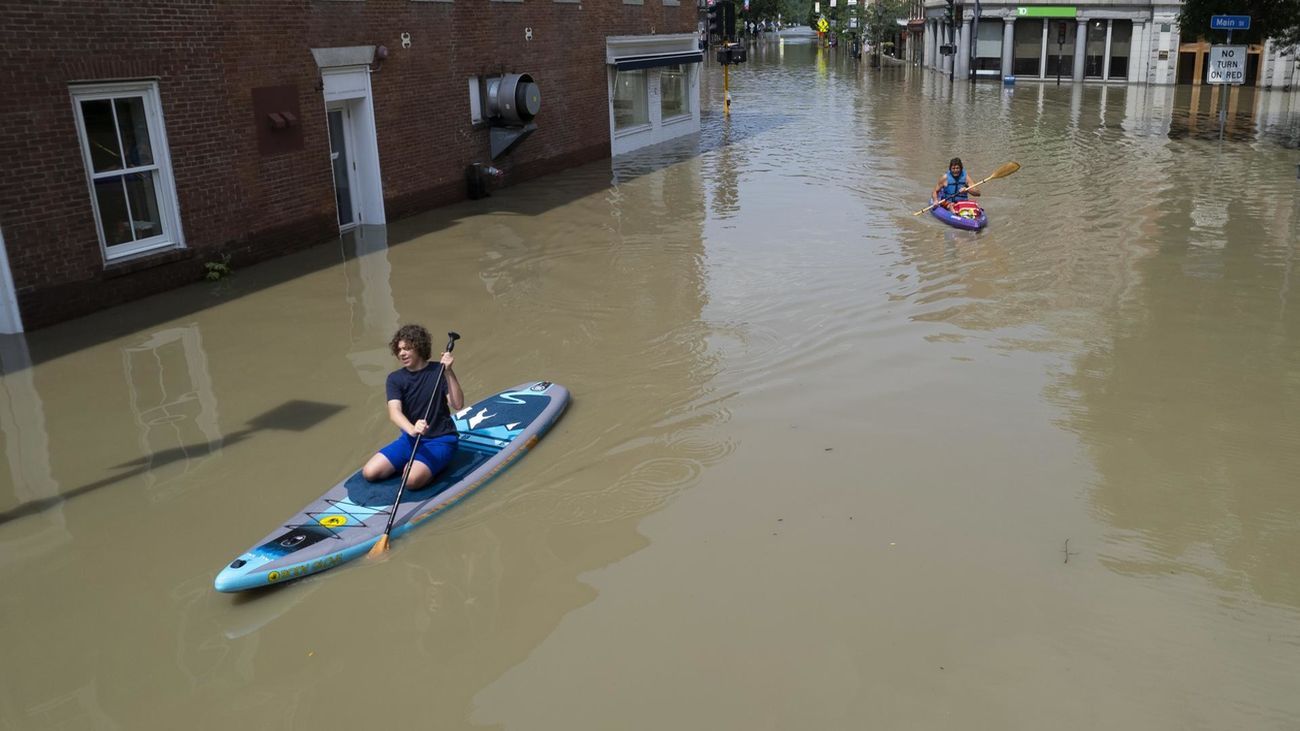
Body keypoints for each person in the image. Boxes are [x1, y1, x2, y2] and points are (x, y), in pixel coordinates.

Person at [361, 324, 464, 490]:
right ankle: (414, 463)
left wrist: (449, 372)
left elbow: (458, 404)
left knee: (410, 481)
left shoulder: (439, 371)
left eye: (407, 348)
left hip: (441, 440)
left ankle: (428, 465)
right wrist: (412, 429)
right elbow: (394, 412)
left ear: (419, 348)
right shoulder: (395, 379)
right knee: (370, 472)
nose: (402, 353)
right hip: (410, 439)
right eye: (399, 349)